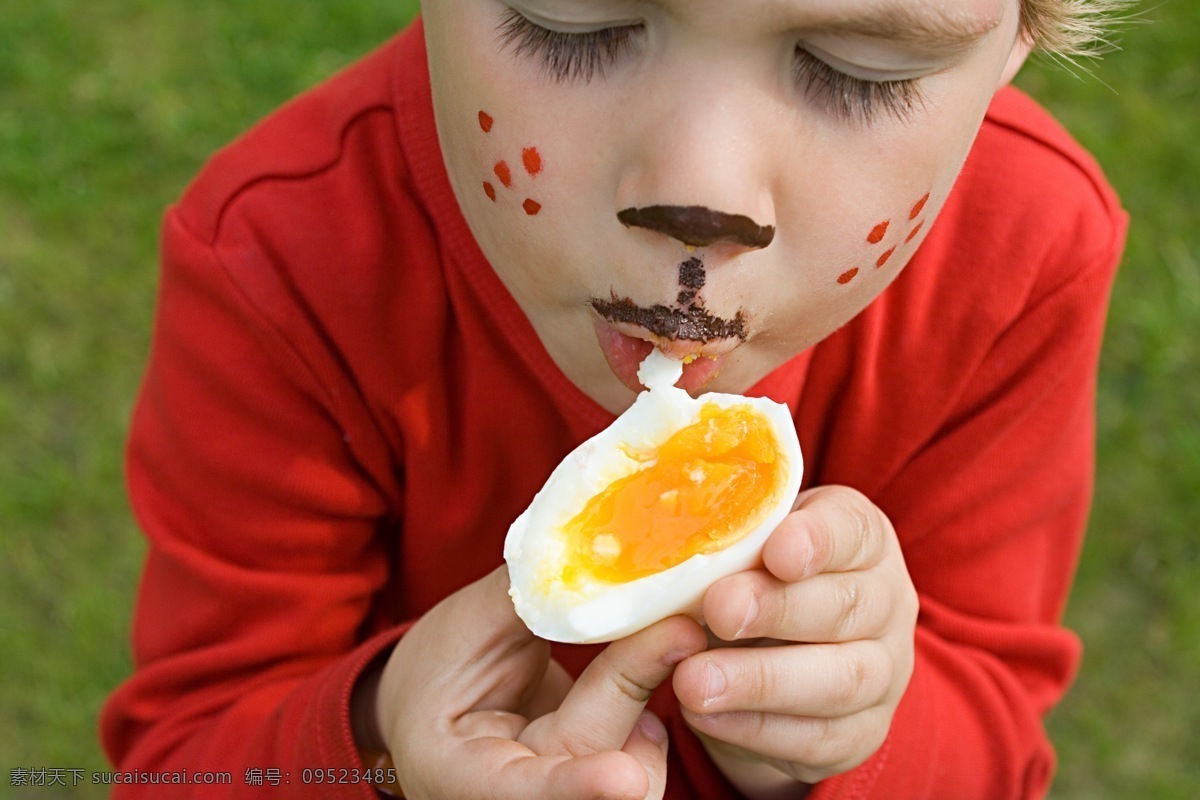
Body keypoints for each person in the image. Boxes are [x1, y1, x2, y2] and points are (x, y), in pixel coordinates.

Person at [100, 0, 1130, 797]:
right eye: (572, 24)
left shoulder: (1022, 258)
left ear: (1012, 50)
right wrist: (377, 730)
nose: (703, 196)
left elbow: (995, 736)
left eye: (860, 73)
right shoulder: (286, 262)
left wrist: (838, 738)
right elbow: (183, 754)